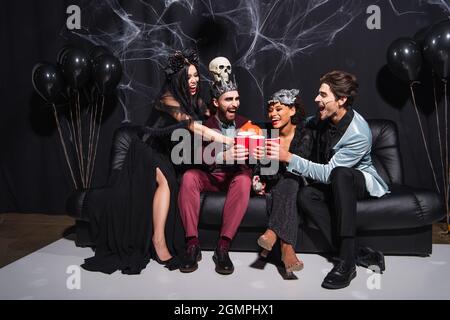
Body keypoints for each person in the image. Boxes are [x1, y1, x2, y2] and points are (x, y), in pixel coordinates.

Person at [81, 48, 232, 275]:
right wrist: (225, 139)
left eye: (195, 76)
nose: (193, 81)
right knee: (166, 183)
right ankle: (158, 241)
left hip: (169, 157)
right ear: (178, 78)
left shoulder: (197, 101)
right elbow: (191, 125)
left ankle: (175, 240)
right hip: (146, 151)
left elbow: (211, 117)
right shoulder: (167, 98)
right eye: (187, 76)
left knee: (176, 180)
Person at [265, 71, 389, 289]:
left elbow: (329, 174)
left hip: (357, 181)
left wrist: (288, 157)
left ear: (341, 100)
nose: (317, 99)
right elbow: (298, 125)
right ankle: (358, 252)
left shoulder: (358, 133)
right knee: (305, 195)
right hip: (332, 184)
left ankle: (347, 263)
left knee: (341, 174)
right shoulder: (320, 120)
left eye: (323, 95)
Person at [178, 77, 253, 275]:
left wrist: (254, 157)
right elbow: (195, 155)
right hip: (211, 176)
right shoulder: (205, 125)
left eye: (237, 99)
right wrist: (221, 156)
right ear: (216, 102)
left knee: (245, 180)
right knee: (188, 176)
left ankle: (223, 247)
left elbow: (256, 160)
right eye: (228, 99)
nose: (235, 104)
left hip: (235, 178)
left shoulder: (247, 124)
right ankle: (192, 245)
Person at [253, 89, 313, 274]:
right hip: (275, 185)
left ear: (292, 110)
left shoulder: (305, 133)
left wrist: (280, 161)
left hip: (298, 182)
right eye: (271, 110)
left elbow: (300, 167)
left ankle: (272, 233)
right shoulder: (266, 133)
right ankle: (288, 250)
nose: (273, 114)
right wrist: (258, 179)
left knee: (291, 179)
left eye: (279, 109)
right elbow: (262, 169)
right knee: (286, 184)